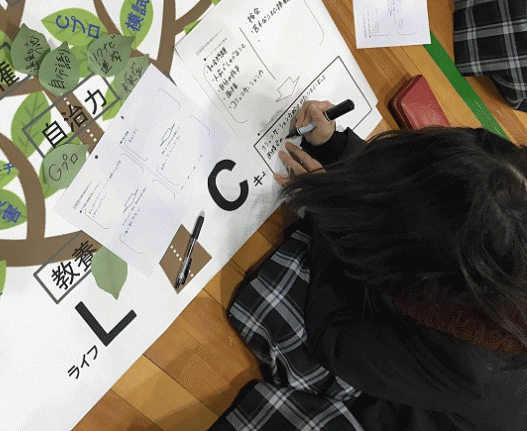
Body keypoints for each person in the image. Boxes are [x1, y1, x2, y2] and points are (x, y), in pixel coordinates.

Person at [213, 100, 527, 431]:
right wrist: (335, 146)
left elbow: (332, 339)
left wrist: (329, 213)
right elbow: (426, 187)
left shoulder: (467, 366)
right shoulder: (501, 212)